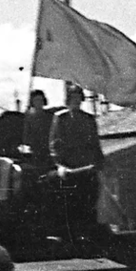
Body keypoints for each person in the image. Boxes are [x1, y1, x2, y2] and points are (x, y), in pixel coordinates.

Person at [49, 85, 105, 227]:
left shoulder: (88, 119)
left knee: (90, 202)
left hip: (87, 165)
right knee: (71, 205)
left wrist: (100, 162)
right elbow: (55, 144)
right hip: (69, 168)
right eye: (73, 98)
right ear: (68, 100)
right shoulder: (61, 118)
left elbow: (94, 142)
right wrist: (59, 164)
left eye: (78, 98)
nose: (76, 101)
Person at [21, 89, 54, 171]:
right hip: (35, 150)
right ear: (32, 101)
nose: (39, 102)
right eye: (36, 100)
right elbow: (25, 136)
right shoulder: (28, 117)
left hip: (48, 150)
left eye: (41, 100)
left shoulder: (50, 116)